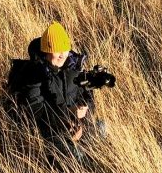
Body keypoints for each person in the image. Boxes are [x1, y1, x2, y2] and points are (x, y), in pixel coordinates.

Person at [7, 21, 110, 155]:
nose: (62, 54)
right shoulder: (33, 74)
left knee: (102, 127)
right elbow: (34, 111)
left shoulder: (73, 69)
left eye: (65, 49)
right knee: (77, 156)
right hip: (49, 135)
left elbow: (86, 98)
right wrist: (68, 115)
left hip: (75, 129)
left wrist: (84, 111)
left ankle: (85, 153)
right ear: (46, 51)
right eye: (57, 50)